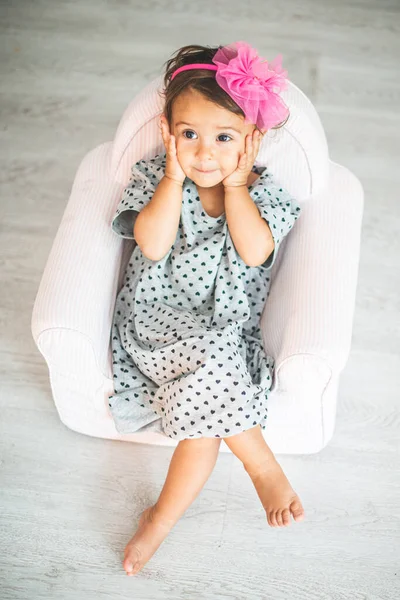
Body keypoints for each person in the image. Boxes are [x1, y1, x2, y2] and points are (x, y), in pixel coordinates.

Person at [108, 41, 305, 577]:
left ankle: (160, 519)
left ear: (251, 140)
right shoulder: (158, 180)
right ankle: (260, 464)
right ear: (168, 133)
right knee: (217, 372)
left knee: (208, 415)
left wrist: (238, 187)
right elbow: (149, 243)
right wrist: (172, 179)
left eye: (224, 138)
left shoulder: (267, 195)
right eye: (188, 134)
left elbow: (255, 250)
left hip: (222, 333)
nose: (204, 152)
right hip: (156, 325)